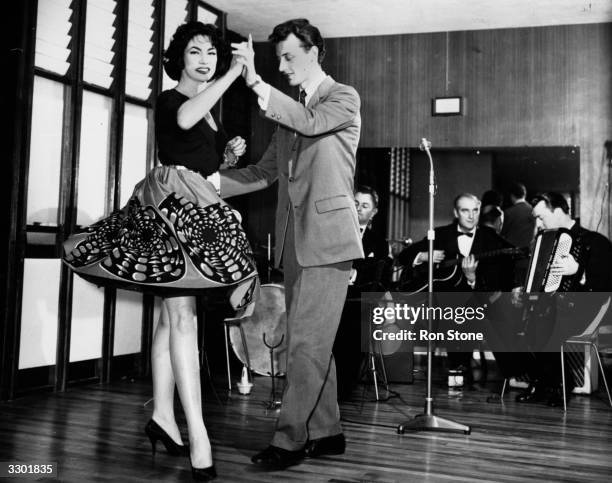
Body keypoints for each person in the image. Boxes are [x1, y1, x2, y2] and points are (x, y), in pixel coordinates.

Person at [63, 22, 258, 481]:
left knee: (170, 322)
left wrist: (226, 154)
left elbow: (200, 153)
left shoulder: (207, 111)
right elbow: (184, 121)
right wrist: (233, 73)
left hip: (194, 206)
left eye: (212, 52)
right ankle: (199, 437)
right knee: (182, 317)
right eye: (196, 52)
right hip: (171, 210)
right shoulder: (172, 99)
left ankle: (164, 417)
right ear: (179, 60)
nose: (206, 59)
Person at [225, 18, 362, 469]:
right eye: (278, 58)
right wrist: (204, 182)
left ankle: (288, 441)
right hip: (295, 243)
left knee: (305, 345)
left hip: (329, 243)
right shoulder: (289, 113)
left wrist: (257, 83)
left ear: (315, 51)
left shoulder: (341, 98)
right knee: (311, 343)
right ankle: (327, 433)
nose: (282, 65)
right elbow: (262, 173)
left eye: (289, 56)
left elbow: (311, 122)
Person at [398, 193, 515, 378]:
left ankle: (511, 374)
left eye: (475, 210)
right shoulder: (441, 234)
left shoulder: (490, 237)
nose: (471, 216)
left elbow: (507, 267)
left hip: (476, 300)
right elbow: (404, 256)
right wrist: (424, 256)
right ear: (456, 212)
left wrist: (472, 278)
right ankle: (455, 367)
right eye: (465, 210)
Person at [515, 192, 612, 407]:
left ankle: (559, 384)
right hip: (550, 309)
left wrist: (579, 270)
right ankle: (543, 381)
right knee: (520, 326)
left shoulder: (594, 241)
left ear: (558, 210)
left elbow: (606, 286)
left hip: (587, 309)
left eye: (541, 217)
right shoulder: (543, 241)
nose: (539, 223)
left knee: (546, 325)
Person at [336, 186, 391, 400]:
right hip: (332, 297)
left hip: (359, 302)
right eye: (356, 203)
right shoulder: (336, 231)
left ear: (374, 212)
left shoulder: (378, 242)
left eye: (365, 205)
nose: (359, 209)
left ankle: (343, 389)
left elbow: (379, 274)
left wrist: (357, 273)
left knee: (353, 329)